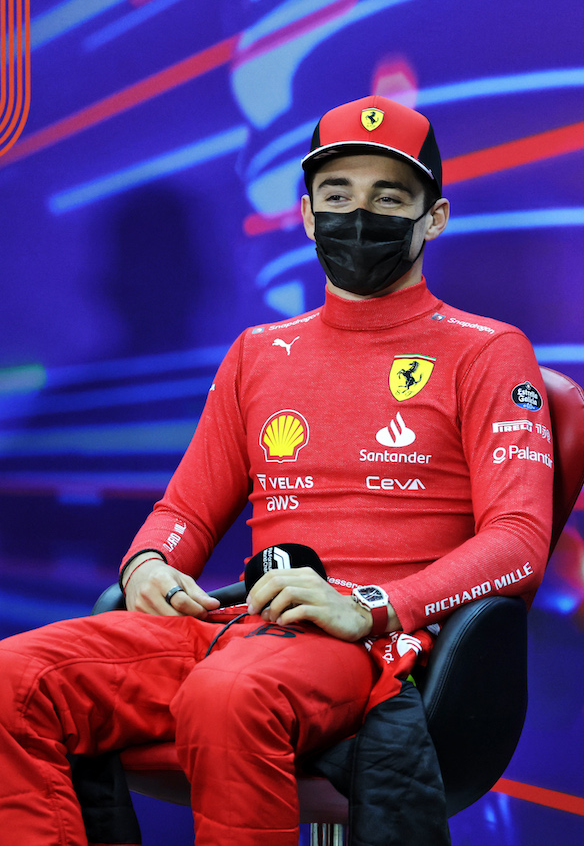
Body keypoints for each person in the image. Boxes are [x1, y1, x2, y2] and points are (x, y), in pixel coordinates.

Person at [0, 95, 555, 845]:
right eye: (337, 197)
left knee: (229, 696)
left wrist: (371, 606)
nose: (359, 217)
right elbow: (184, 514)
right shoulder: (259, 352)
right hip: (238, 629)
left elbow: (521, 540)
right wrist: (148, 565)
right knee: (16, 680)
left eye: (389, 197)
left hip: (375, 650)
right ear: (305, 214)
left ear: (436, 216)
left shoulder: (488, 351)